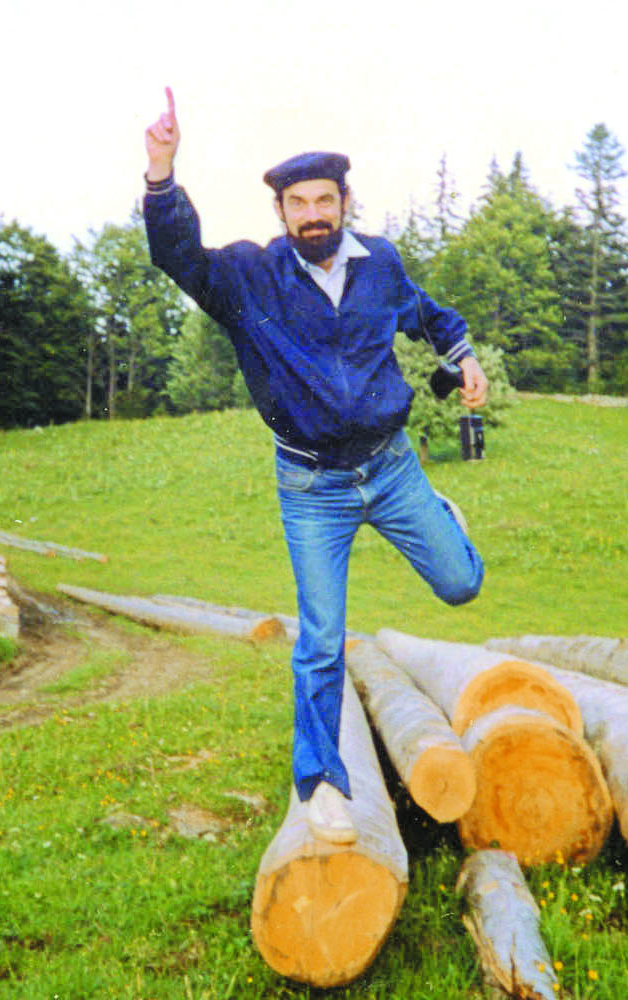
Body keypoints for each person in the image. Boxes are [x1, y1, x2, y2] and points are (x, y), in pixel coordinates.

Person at [142, 87, 487, 844]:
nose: (312, 215)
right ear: (280, 213)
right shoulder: (248, 278)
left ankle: (444, 521)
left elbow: (426, 314)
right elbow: (177, 257)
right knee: (322, 639)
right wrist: (162, 173)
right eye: (296, 204)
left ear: (344, 202)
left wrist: (460, 355)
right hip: (312, 486)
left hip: (391, 469)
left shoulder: (380, 264)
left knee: (462, 584)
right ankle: (322, 782)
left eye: (323, 200)